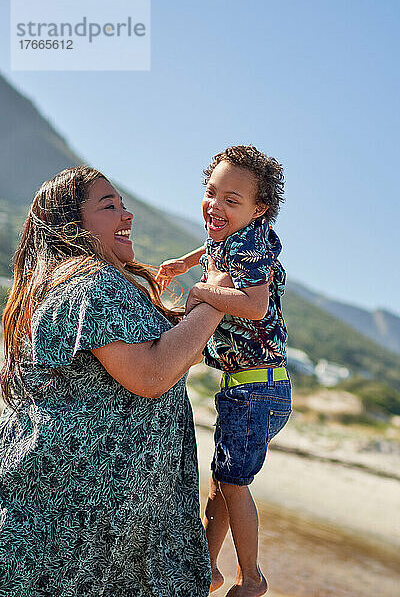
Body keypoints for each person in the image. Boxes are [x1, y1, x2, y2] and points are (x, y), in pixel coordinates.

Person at [0, 165, 227, 597]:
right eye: (110, 206)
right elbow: (151, 374)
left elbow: (171, 360)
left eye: (123, 205)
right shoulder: (94, 282)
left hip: (73, 526)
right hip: (78, 532)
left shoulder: (74, 284)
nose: (128, 215)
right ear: (72, 223)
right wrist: (217, 298)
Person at [156, 145, 291, 597]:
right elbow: (215, 249)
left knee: (233, 484)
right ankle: (206, 567)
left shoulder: (250, 242)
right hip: (250, 386)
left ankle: (250, 578)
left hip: (258, 390)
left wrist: (201, 292)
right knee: (220, 482)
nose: (215, 206)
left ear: (259, 210)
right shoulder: (235, 234)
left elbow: (253, 306)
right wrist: (186, 262)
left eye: (231, 201)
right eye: (211, 193)